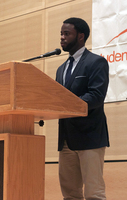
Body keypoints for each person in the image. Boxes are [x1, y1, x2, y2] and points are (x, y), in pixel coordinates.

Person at [56, 17, 109, 200]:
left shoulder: (96, 62)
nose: (62, 37)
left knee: (94, 194)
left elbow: (96, 96)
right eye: (61, 34)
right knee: (70, 195)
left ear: (80, 36)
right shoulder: (61, 69)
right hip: (66, 141)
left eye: (66, 33)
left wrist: (68, 105)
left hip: (90, 138)